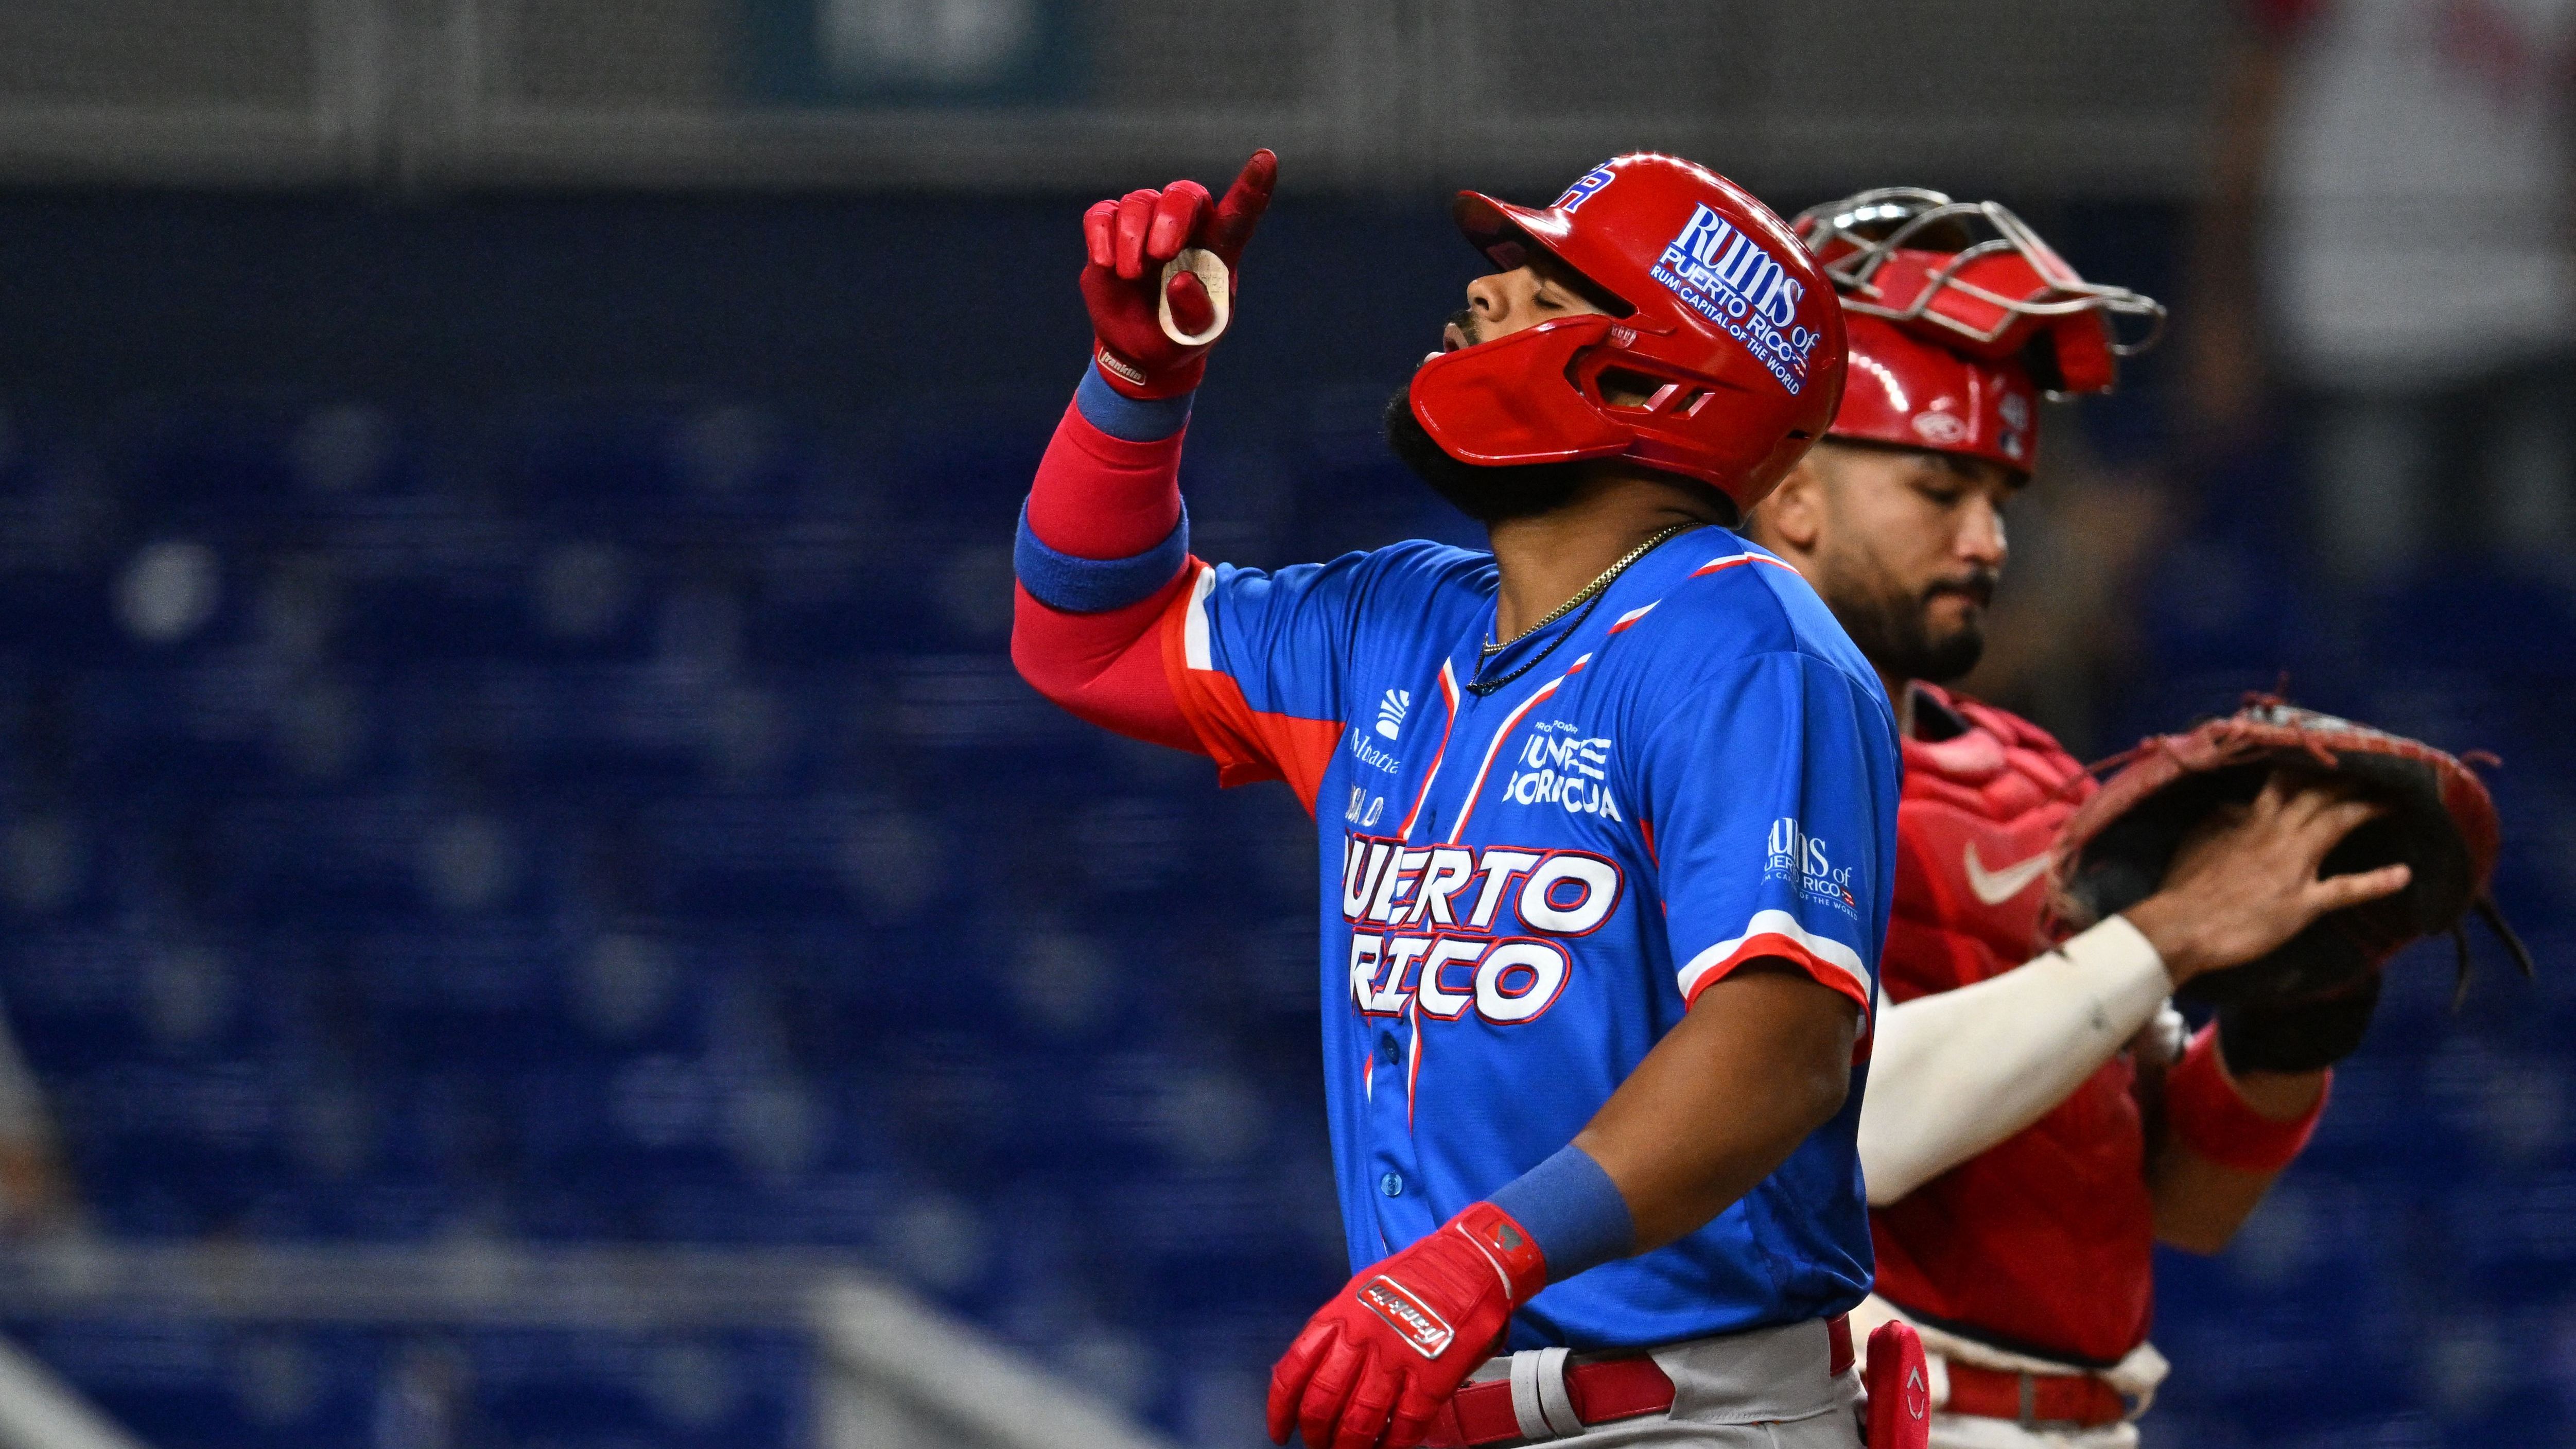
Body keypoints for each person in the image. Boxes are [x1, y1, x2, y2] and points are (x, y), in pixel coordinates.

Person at [1012, 151, 1902, 1447]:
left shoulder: (1747, 646)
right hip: (1450, 1398)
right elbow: (1080, 639)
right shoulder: (1395, 616)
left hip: (1690, 1414)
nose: (1482, 298)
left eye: (1546, 285)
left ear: (1660, 373)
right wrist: (1143, 382)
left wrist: (1485, 1256)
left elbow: (1784, 1044)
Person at [1744, 188, 2415, 1448]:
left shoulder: (2038, 779)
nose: (1991, 539)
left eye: (2001, 495)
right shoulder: (1700, 756)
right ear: (1789, 489)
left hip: (2089, 1420)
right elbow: (1838, 1125)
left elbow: (2180, 1201)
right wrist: (2171, 930)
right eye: (1940, 488)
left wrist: (2292, 1019)